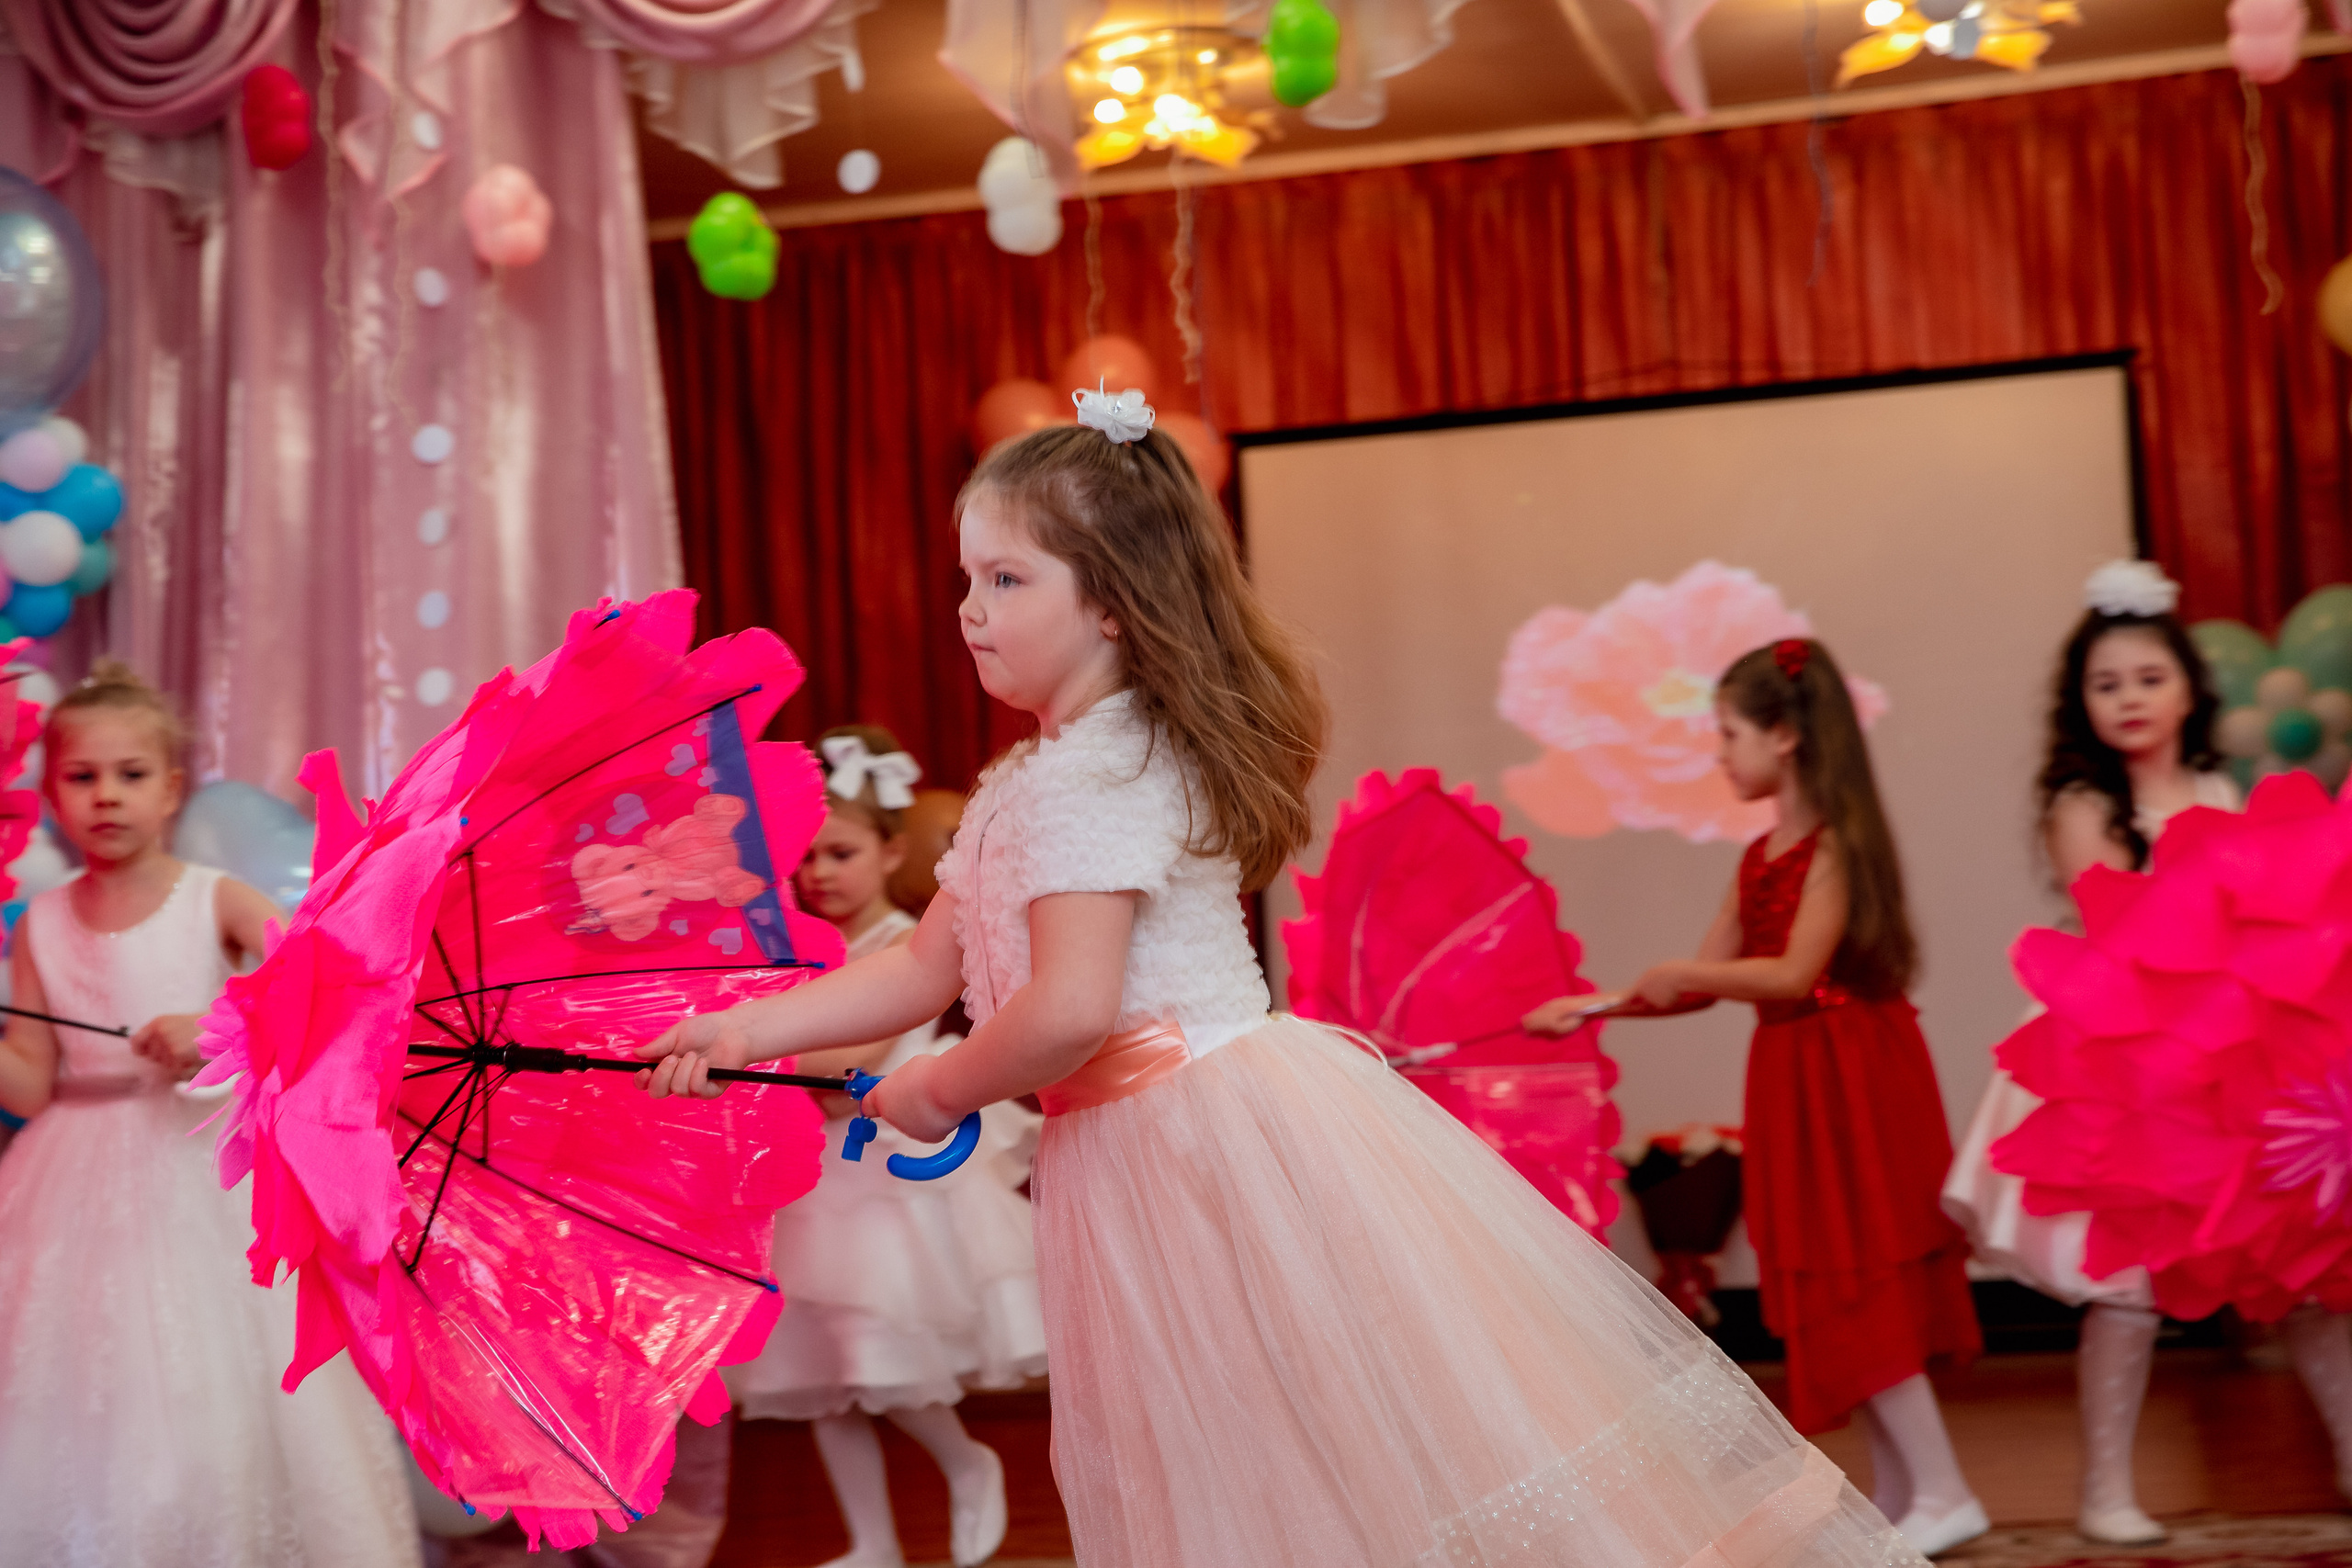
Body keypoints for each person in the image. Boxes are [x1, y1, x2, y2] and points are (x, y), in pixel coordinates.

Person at [639, 388, 1923, 1568]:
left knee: (1288, 1443)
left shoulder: (1100, 774)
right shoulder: (1035, 777)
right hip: (1142, 1145)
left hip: (1198, 1139)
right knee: (1247, 1448)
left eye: (1006, 575)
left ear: (1112, 601)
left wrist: (936, 1090)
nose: (969, 606)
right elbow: (927, 964)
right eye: (966, 576)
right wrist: (743, 1027)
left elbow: (1071, 1008)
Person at [1530, 636, 1986, 1557]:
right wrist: (1597, 1004)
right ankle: (1904, 1492)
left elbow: (1788, 974)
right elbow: (1706, 983)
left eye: (1728, 733)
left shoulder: (1835, 849)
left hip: (1849, 1076)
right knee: (1828, 1273)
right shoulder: (1760, 854)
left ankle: (1943, 1486)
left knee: (1860, 1276)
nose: (1717, 753)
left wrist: (1679, 968)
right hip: (1795, 1075)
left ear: (1784, 737)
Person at [1942, 559, 2352, 1544]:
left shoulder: (2218, 785)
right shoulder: (2084, 806)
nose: (2129, 700)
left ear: (2187, 689)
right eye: (2105, 683)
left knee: (2301, 1281)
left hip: (2228, 1065)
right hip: (2119, 1069)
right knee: (2123, 1289)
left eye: (2147, 678)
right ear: (2080, 703)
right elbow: (2124, 936)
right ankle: (2103, 1491)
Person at [0, 661, 420, 1568]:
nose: (106, 796)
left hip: (202, 1166)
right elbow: (30, 1082)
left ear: (172, 790)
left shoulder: (213, 900)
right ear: (51, 794)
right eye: (82, 777)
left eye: (131, 774)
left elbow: (320, 997)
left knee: (211, 1386)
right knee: (84, 1393)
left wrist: (221, 1026)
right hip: (68, 1177)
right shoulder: (38, 923)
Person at [727, 725, 1044, 1568]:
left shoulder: (903, 943)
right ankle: (872, 1543)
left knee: (876, 1350)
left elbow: (845, 1066)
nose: (819, 872)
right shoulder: (800, 953)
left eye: (840, 852)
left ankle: (965, 1462)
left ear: (890, 848)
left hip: (883, 1181)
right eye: (805, 858)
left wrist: (751, 1049)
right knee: (822, 1374)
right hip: (812, 1184)